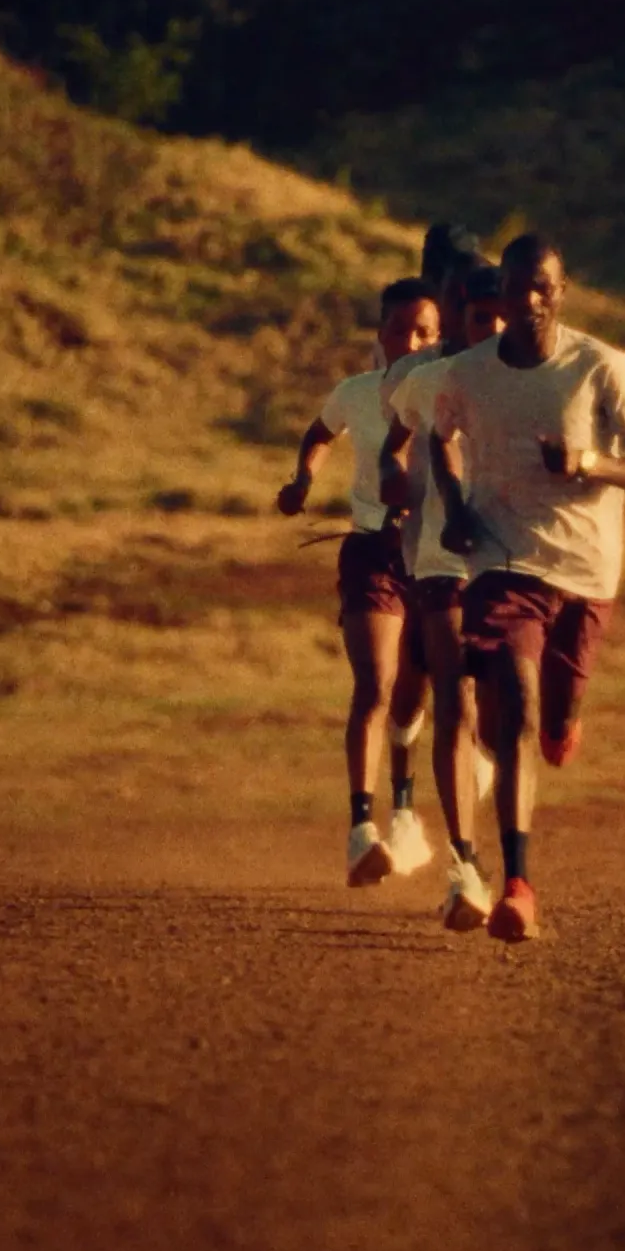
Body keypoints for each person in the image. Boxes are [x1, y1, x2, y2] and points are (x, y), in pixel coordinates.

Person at [429, 236, 625, 942]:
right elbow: (440, 435)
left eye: (543, 288)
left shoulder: (601, 367)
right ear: (496, 293)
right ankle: (519, 885)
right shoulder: (469, 373)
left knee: (551, 715)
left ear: (561, 293)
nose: (529, 300)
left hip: (587, 571)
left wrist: (590, 461)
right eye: (516, 287)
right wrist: (457, 505)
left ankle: (560, 727)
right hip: (505, 562)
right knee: (517, 703)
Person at [278, 277, 441, 888]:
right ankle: (359, 831)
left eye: (424, 331)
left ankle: (404, 813)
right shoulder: (356, 392)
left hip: (430, 558)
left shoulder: (449, 395)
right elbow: (320, 431)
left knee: (411, 700)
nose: (411, 340)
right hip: (371, 550)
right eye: (400, 329)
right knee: (375, 684)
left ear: (440, 336)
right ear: (381, 335)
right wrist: (302, 480)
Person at [379, 263, 507, 931]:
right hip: (442, 562)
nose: (492, 327)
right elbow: (394, 442)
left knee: (503, 709)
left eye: (500, 314)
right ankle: (465, 864)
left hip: (518, 565)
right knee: (447, 698)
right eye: (480, 314)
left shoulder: (543, 377)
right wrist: (394, 485)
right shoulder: (427, 379)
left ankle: (482, 837)